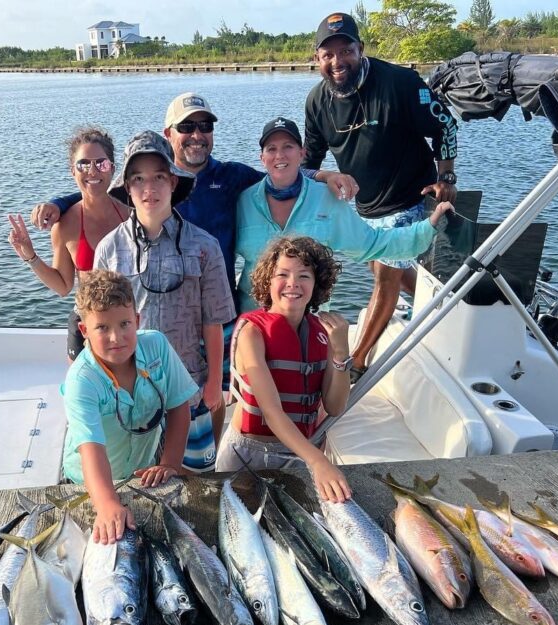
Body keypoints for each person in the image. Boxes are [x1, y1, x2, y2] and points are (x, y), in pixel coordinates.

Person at [29, 93, 357, 392]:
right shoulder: (136, 200)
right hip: (161, 329)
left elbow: (281, 174)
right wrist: (60, 203)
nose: (197, 134)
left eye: (204, 126)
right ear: (169, 134)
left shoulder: (232, 177)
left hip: (221, 317)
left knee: (220, 398)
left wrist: (324, 175)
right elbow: (103, 187)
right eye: (186, 126)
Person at [303, 12, 459, 382]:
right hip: (365, 205)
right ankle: (446, 308)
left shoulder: (400, 83)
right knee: (386, 268)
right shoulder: (316, 102)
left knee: (385, 278)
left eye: (346, 51)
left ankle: (355, 364)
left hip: (411, 195)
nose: (338, 62)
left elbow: (446, 125)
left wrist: (446, 175)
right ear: (317, 59)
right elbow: (309, 163)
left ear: (361, 49)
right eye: (328, 55)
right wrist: (321, 183)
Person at [95, 130, 236, 474]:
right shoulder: (108, 249)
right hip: (129, 390)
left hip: (189, 383)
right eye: (139, 179)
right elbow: (96, 326)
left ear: (174, 182)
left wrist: (214, 384)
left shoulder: (205, 246)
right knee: (136, 477)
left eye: (159, 177)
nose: (150, 188)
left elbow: (213, 321)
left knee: (192, 477)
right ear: (127, 188)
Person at [235, 117, 453, 314]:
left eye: (288, 147)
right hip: (253, 325)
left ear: (302, 153)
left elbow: (373, 243)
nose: (280, 155)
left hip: (310, 323)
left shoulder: (326, 199)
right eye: (271, 149)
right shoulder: (243, 201)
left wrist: (428, 227)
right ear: (262, 158)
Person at [61, 270, 197, 544]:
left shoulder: (157, 345)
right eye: (102, 328)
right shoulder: (81, 380)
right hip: (89, 481)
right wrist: (107, 504)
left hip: (145, 470)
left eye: (124, 324)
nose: (116, 337)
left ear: (137, 320)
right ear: (84, 330)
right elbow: (91, 449)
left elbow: (178, 407)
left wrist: (170, 462)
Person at [215, 236, 352, 503]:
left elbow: (334, 406)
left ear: (317, 284)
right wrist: (318, 462)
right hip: (247, 454)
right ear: (268, 280)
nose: (293, 283)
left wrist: (341, 353)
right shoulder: (252, 332)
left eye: (304, 275)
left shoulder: (322, 333)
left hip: (300, 453)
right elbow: (271, 410)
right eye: (283, 274)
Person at [7, 127, 129, 360]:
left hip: (127, 326)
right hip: (85, 326)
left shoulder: (131, 214)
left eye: (101, 163)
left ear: (112, 168)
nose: (92, 171)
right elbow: (63, 286)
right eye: (83, 164)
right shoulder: (64, 225)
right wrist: (30, 256)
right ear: (72, 171)